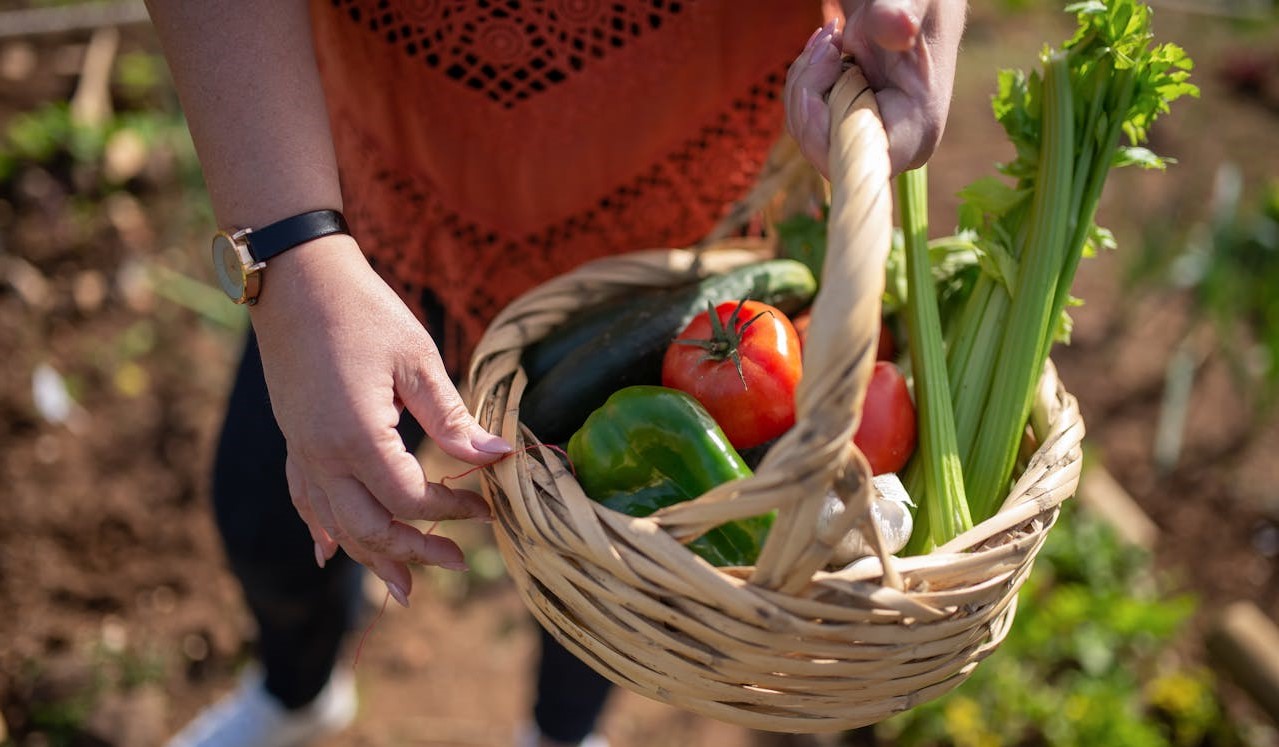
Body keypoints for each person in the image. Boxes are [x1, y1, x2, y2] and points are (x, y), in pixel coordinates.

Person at [145, 1, 964, 746]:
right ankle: (298, 691)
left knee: (614, 558)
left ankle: (562, 734)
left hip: (686, 207)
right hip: (374, 195)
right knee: (266, 514)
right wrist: (293, 255)